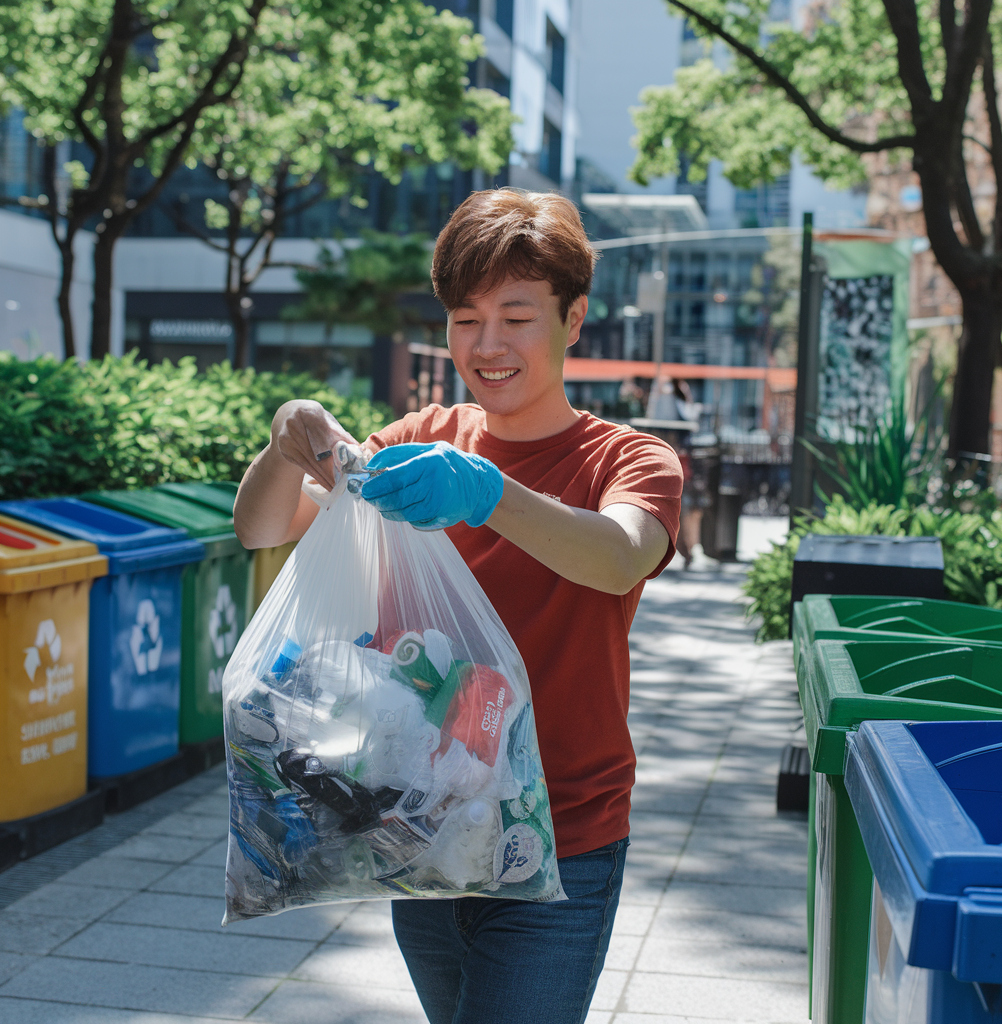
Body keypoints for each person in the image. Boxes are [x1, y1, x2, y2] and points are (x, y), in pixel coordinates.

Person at [233, 188, 684, 1024]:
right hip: (421, 819)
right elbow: (264, 526)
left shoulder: (629, 459)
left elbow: (618, 557)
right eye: (466, 318)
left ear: (573, 320)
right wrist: (283, 438)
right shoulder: (416, 441)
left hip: (565, 834)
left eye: (517, 316)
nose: (489, 345)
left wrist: (487, 492)